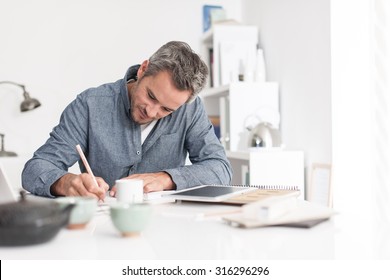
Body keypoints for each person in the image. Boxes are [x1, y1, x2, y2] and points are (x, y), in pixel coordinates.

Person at [22, 41, 232, 201]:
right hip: (101, 229)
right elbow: (35, 168)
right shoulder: (90, 105)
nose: (151, 112)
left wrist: (165, 178)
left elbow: (220, 169)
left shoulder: (190, 109)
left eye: (166, 109)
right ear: (143, 69)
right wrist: (66, 182)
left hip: (167, 229)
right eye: (151, 96)